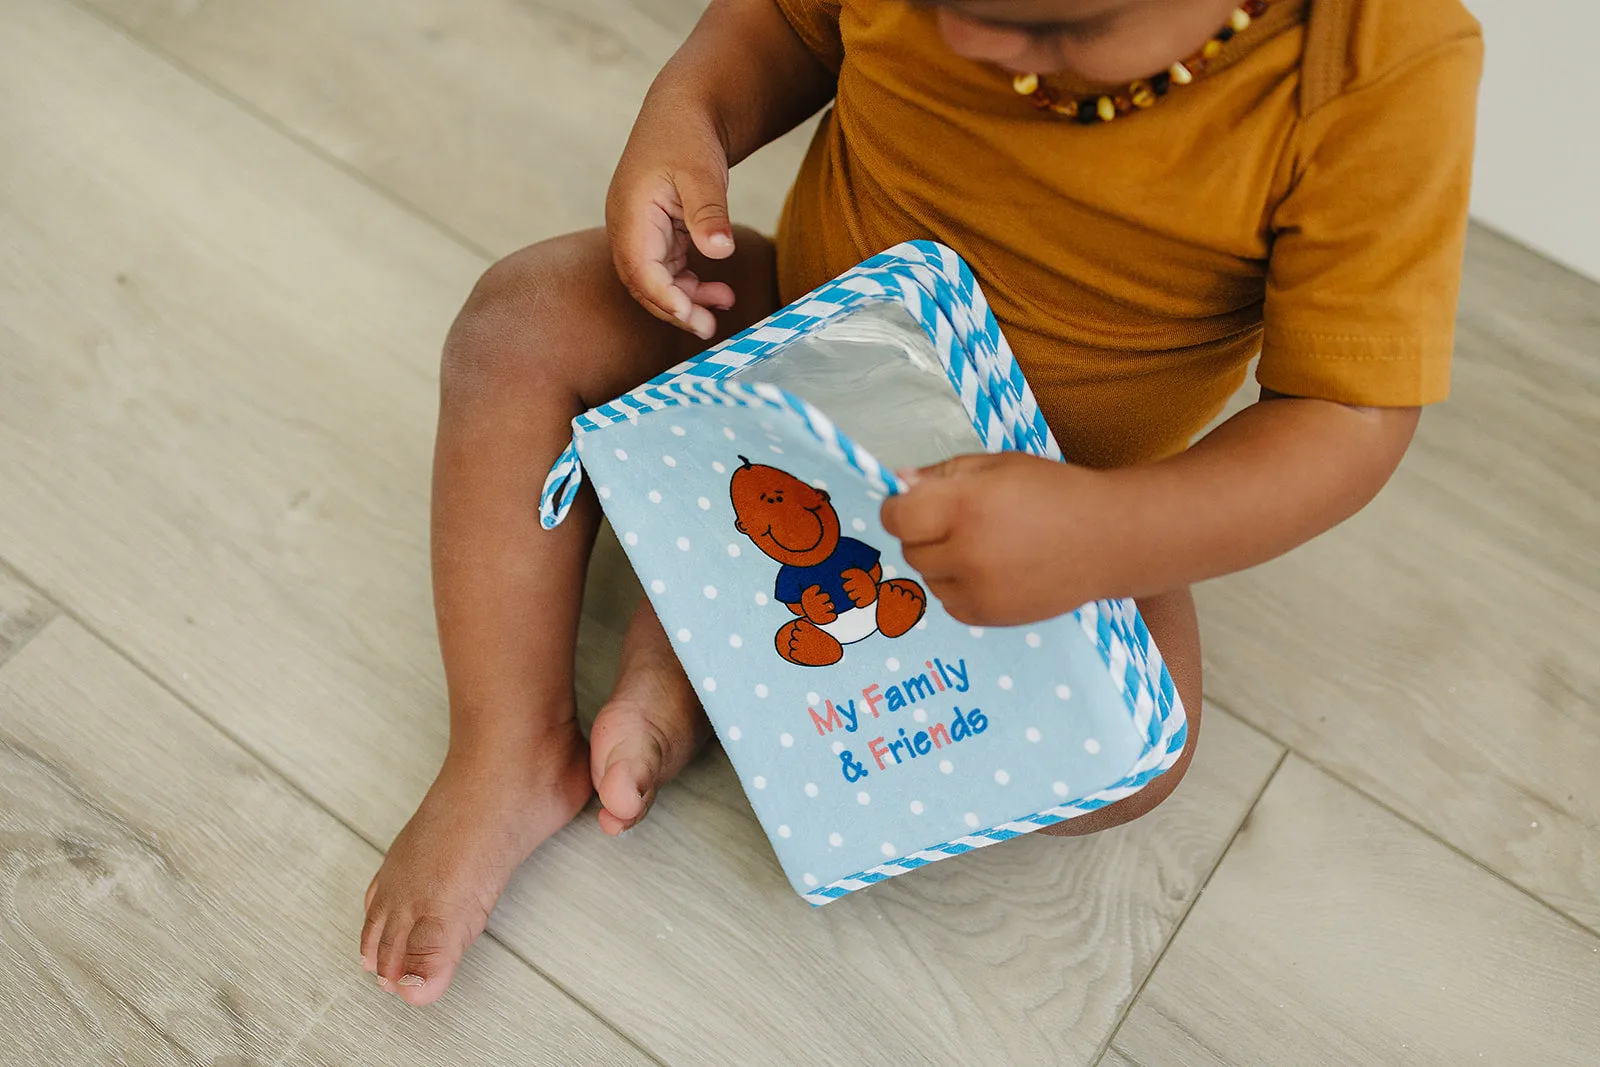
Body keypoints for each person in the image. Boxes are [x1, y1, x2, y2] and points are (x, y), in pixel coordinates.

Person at [360, 0, 1483, 1003]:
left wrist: (1111, 534)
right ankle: (509, 745)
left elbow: (1347, 412)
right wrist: (688, 114)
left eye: (1056, 31)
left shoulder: (1379, 66)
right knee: (520, 325)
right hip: (776, 351)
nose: (968, 39)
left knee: (1145, 747)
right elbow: (789, 26)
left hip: (1050, 483)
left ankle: (705, 644)